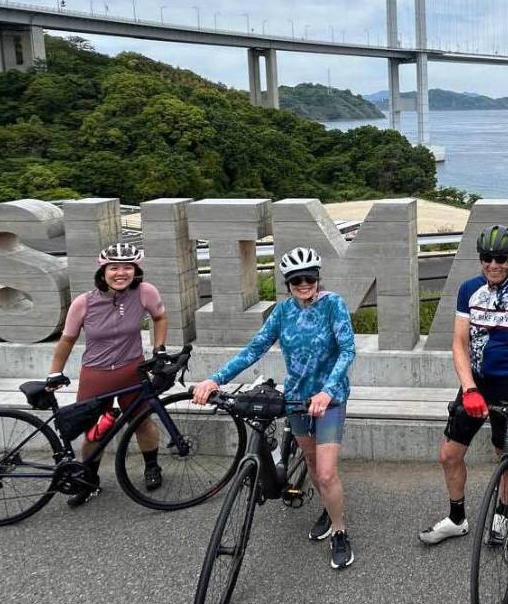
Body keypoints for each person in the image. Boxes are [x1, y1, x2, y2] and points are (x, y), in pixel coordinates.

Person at [192, 247, 357, 570]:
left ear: (318, 279)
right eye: (297, 280)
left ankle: (339, 529)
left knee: (325, 471)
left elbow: (347, 351)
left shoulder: (332, 305)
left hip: (329, 398)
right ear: (287, 283)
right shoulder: (283, 313)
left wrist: (327, 391)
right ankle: (326, 502)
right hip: (295, 398)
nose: (304, 284)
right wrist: (215, 379)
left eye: (309, 278)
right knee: (309, 460)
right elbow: (254, 349)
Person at [419, 224, 508, 546]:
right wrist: (469, 388)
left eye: (500, 258)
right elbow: (459, 343)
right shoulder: (469, 290)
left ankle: (502, 512)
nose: (493, 265)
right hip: (476, 384)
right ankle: (457, 519)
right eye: (487, 257)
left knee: (505, 455)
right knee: (449, 455)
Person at [48, 243, 168, 508]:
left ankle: (152, 466)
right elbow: (67, 340)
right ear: (102, 272)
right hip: (96, 374)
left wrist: (158, 350)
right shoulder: (84, 302)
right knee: (95, 430)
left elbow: (160, 317)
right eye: (113, 267)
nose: (121, 273)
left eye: (128, 267)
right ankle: (89, 481)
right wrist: (54, 372)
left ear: (136, 271)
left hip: (131, 371)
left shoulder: (145, 293)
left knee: (142, 422)